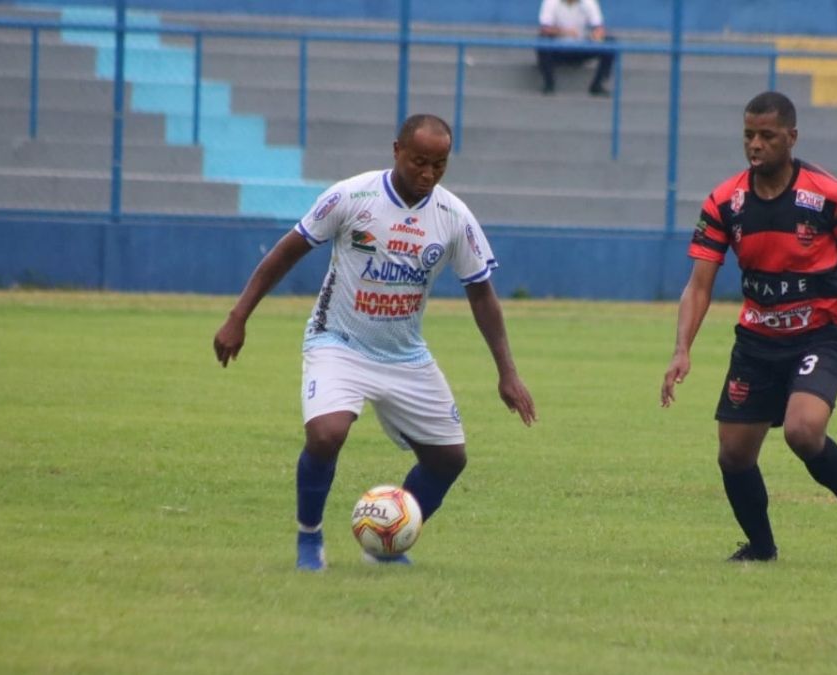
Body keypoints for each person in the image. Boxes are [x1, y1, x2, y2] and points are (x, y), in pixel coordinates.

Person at [213, 113, 537, 571]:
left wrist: (507, 372)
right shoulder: (351, 196)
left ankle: (386, 541)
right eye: (419, 161)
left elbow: (482, 294)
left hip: (404, 354)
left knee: (449, 459)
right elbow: (287, 251)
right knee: (327, 436)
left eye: (439, 165)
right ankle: (310, 538)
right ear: (396, 151)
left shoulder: (453, 217)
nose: (428, 174)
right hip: (338, 341)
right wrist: (237, 317)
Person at [660, 91, 837, 567]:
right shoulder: (725, 201)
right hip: (757, 340)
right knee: (733, 454)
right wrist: (681, 348)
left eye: (767, 136)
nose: (755, 145)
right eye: (749, 135)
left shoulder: (829, 195)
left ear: (791, 137)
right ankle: (762, 548)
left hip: (820, 334)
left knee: (803, 431)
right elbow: (699, 284)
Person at [536, 0, 615, 96]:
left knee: (610, 42)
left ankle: (597, 85)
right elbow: (545, 29)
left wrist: (597, 34)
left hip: (581, 48)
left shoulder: (589, 2)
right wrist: (565, 32)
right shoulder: (551, 2)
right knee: (542, 40)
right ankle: (549, 84)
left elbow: (598, 27)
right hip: (558, 50)